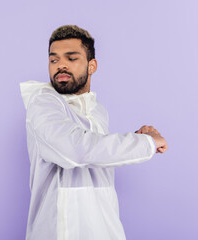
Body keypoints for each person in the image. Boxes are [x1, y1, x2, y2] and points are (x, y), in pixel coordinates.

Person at [19, 25, 168, 240]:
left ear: (92, 66)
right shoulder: (43, 102)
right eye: (54, 60)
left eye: (71, 58)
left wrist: (137, 137)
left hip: (105, 228)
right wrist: (146, 143)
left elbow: (95, 154)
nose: (60, 65)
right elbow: (75, 150)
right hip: (60, 231)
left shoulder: (97, 109)